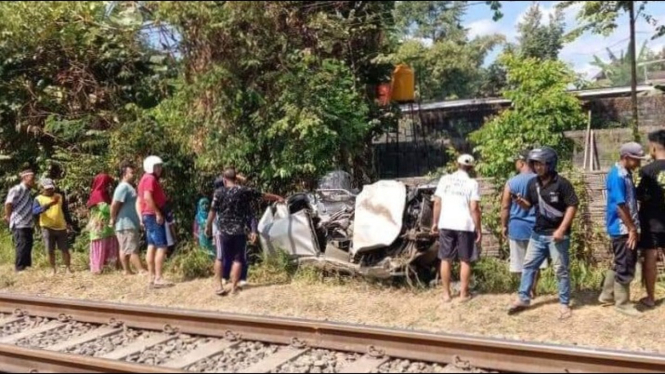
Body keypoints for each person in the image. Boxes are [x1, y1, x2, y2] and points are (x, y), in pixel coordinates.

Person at [508, 147, 579, 320]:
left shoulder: (562, 183)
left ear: (550, 164)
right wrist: (519, 201)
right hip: (537, 234)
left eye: (541, 163)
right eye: (534, 164)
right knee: (528, 266)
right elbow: (530, 205)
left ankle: (564, 304)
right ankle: (523, 298)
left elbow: (572, 205)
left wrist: (562, 229)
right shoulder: (533, 184)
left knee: (560, 270)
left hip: (557, 235)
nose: (537, 167)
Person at [206, 167, 284, 296]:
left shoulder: (218, 192)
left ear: (224, 180)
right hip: (239, 231)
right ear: (235, 178)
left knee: (219, 257)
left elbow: (212, 211)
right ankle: (234, 288)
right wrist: (277, 197)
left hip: (222, 232)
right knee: (238, 259)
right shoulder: (243, 191)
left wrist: (208, 226)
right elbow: (262, 195)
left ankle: (219, 286)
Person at [598, 142, 647, 316]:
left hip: (625, 227)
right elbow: (620, 206)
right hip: (622, 229)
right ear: (626, 157)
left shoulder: (626, 173)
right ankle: (622, 303)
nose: (639, 163)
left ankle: (607, 295)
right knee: (626, 263)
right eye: (636, 160)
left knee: (620, 261)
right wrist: (632, 229)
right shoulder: (617, 176)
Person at [431, 154, 482, 303]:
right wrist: (478, 228)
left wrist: (435, 222)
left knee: (445, 259)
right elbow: (474, 207)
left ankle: (446, 295)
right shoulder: (472, 183)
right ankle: (463, 295)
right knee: (465, 259)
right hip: (465, 225)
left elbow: (437, 202)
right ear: (471, 168)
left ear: (456, 164)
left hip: (446, 223)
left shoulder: (445, 180)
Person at [501, 150, 547, 298]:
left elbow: (505, 206)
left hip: (517, 227)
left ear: (521, 163)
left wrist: (504, 225)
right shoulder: (541, 180)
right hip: (537, 227)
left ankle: (525, 291)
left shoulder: (511, 182)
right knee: (536, 261)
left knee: (521, 263)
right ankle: (533, 289)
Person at [636, 130, 665, 309]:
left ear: (654, 147)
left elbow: (640, 195)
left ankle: (651, 298)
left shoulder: (647, 170)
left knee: (650, 257)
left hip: (652, 222)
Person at [138, 155, 173, 288]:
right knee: (162, 246)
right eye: (157, 166)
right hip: (152, 215)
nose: (159, 169)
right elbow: (147, 197)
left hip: (148, 215)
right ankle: (158, 277)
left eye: (160, 166)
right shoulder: (149, 178)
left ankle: (151, 277)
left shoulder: (145, 178)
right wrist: (158, 213)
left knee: (151, 245)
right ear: (150, 167)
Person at [110, 161, 146, 276]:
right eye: (131, 172)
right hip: (126, 223)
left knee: (124, 248)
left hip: (126, 223)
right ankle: (141, 270)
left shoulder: (127, 187)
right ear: (124, 174)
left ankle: (127, 270)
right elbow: (114, 204)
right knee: (132, 248)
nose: (133, 174)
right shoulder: (123, 187)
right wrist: (112, 218)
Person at [32, 178, 74, 275]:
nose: (50, 190)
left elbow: (65, 211)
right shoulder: (38, 199)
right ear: (42, 188)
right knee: (50, 250)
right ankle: (53, 269)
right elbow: (35, 211)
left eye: (51, 188)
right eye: (47, 189)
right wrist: (50, 204)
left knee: (65, 249)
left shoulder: (59, 196)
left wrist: (69, 223)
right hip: (47, 227)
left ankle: (68, 269)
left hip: (61, 227)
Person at [4, 167, 37, 272]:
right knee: (22, 244)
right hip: (19, 222)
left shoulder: (28, 191)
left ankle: (26, 266)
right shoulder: (17, 189)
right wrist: (8, 216)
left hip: (28, 222)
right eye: (32, 178)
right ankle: (19, 268)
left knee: (28, 244)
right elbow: (8, 203)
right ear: (25, 178)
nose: (33, 180)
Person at [87, 173, 119, 274]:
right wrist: (116, 208)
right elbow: (105, 208)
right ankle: (97, 268)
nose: (109, 186)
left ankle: (109, 266)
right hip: (99, 225)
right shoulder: (97, 194)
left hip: (107, 225)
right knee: (100, 243)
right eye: (107, 183)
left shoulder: (105, 194)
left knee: (109, 242)